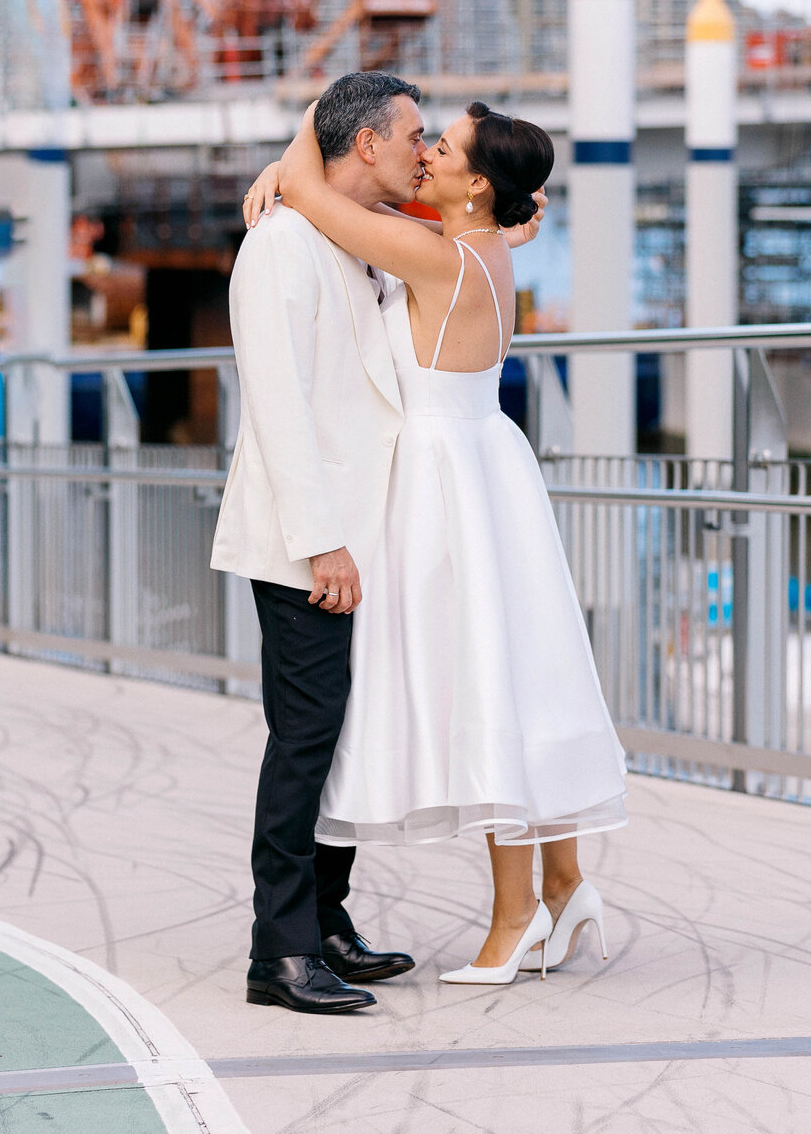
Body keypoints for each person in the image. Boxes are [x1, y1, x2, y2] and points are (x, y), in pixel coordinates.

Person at [243, 99, 628, 986]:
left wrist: (289, 157)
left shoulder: (434, 255)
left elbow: (312, 183)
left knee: (482, 682)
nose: (426, 155)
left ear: (477, 183)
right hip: (483, 466)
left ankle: (520, 916)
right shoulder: (473, 250)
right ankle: (563, 888)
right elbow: (367, 211)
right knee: (515, 673)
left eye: (441, 146)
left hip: (441, 482)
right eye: (422, 138)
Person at [211, 72, 428, 1014]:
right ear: (366, 144)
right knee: (304, 739)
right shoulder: (280, 246)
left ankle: (328, 921)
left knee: (346, 731)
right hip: (310, 543)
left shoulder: (354, 242)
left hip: (365, 533)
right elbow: (278, 408)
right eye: (414, 134)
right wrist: (322, 543)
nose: (425, 151)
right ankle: (280, 952)